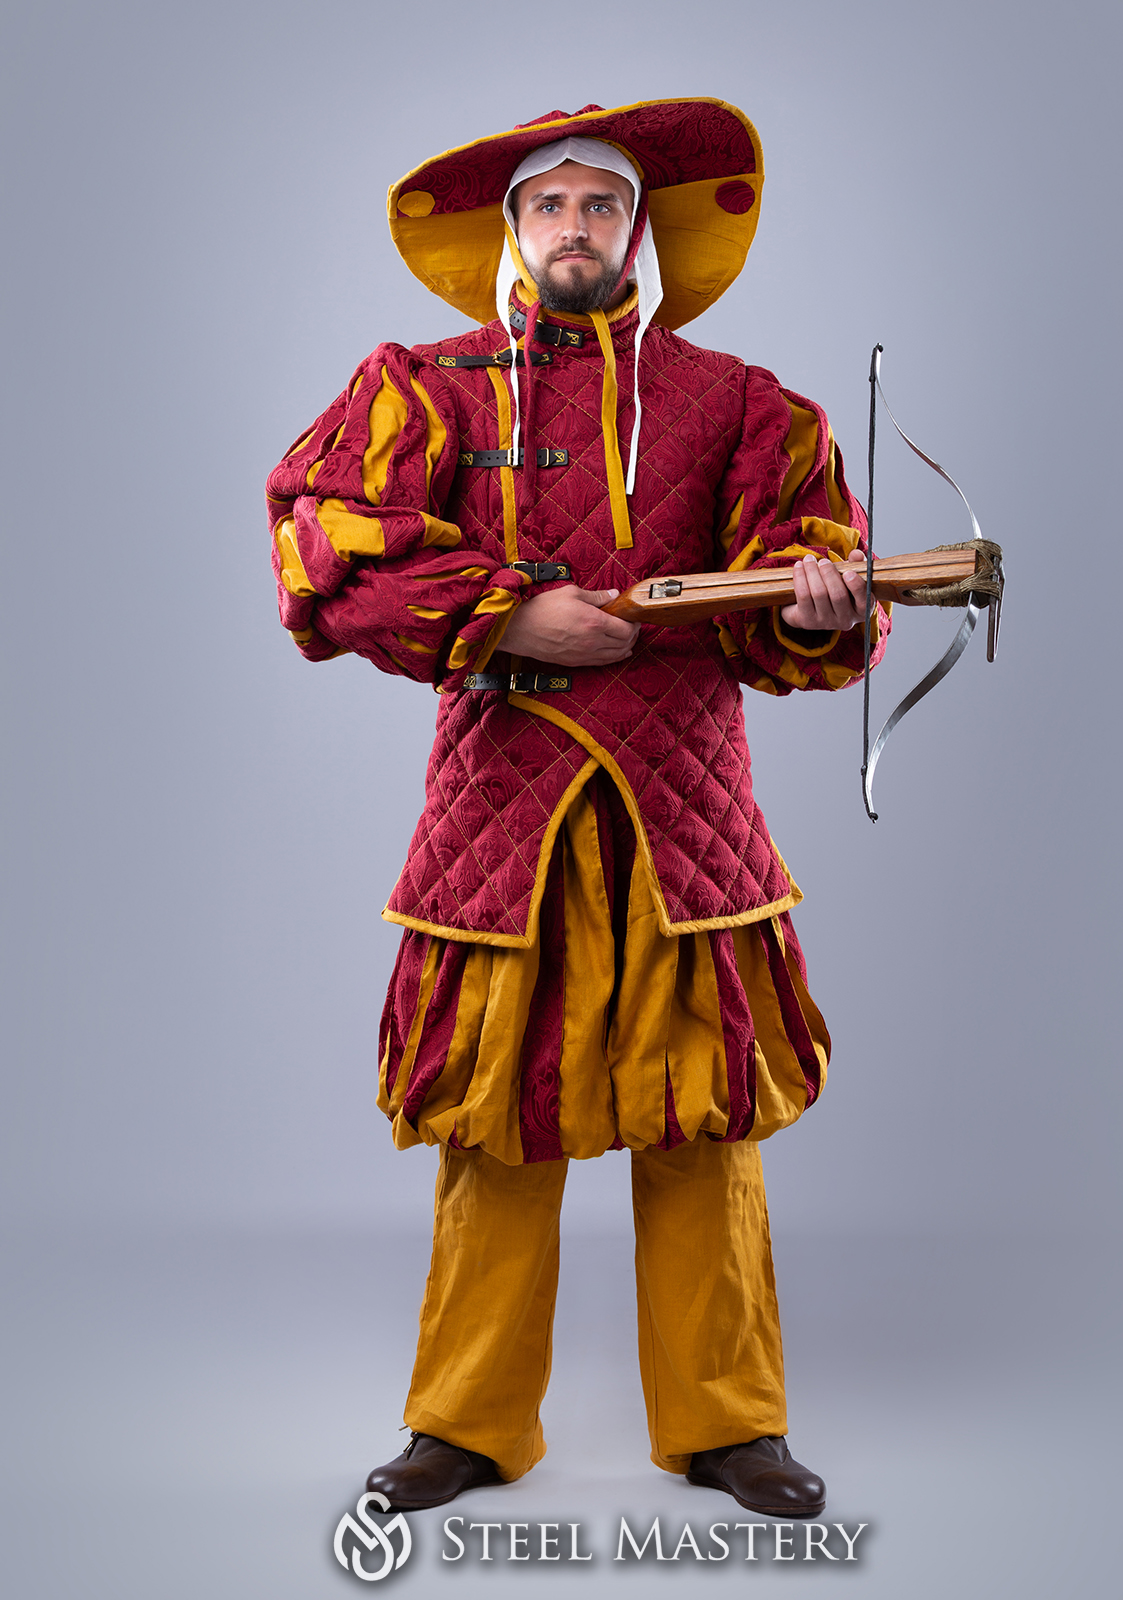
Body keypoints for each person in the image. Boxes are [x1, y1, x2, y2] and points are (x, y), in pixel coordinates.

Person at [266, 99, 887, 1519]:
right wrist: (506, 614)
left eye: (600, 205)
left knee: (703, 1113)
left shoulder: (740, 405)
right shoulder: (427, 389)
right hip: (501, 814)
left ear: (638, 231)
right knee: (495, 1112)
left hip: (686, 817)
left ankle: (730, 1423)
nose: (573, 228)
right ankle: (465, 1423)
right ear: (514, 231)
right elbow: (324, 541)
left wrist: (821, 604)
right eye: (547, 205)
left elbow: (798, 586)